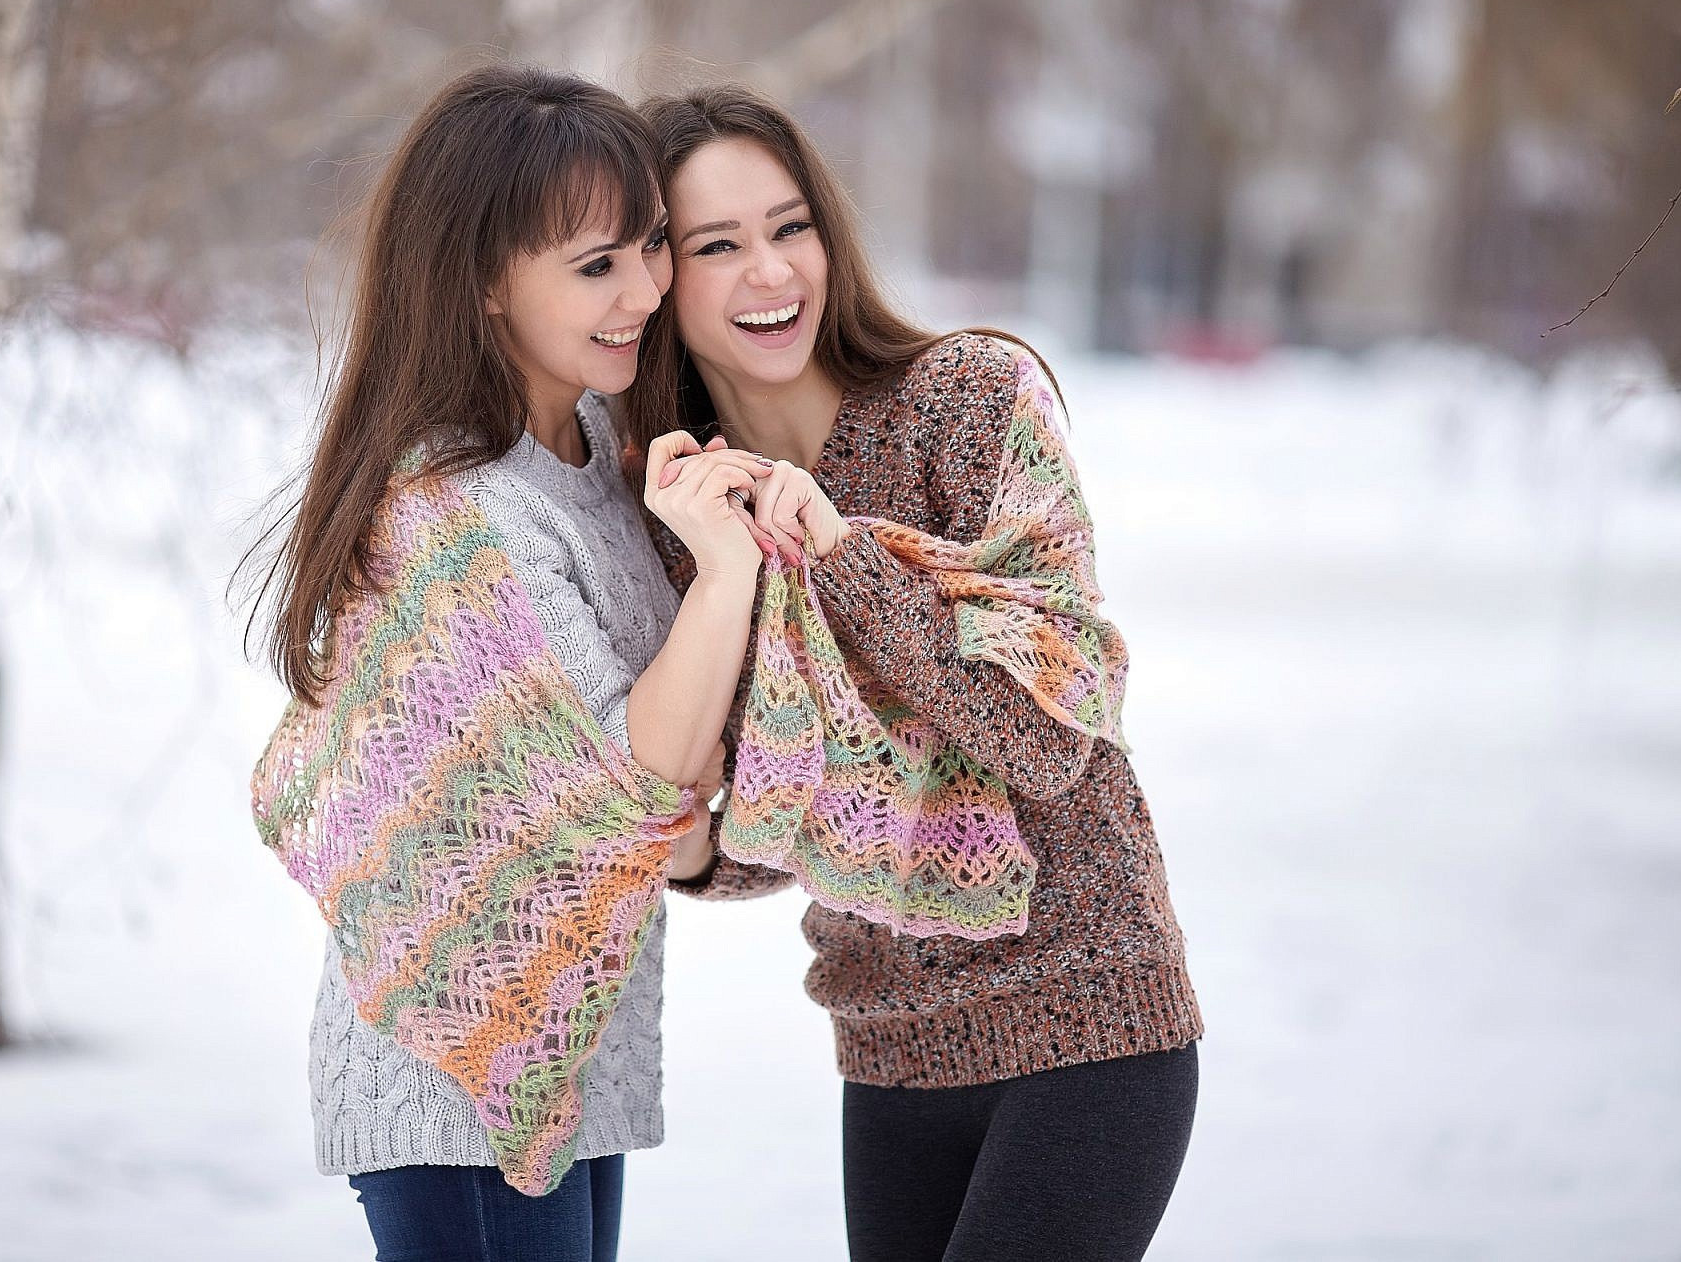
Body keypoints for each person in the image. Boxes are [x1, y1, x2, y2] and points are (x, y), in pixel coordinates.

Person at [633, 83, 1205, 1262]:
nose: (769, 274)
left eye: (789, 228)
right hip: (889, 1051)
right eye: (717, 245)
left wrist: (840, 555)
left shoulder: (976, 398)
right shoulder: (688, 516)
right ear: (657, 278)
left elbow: (1047, 735)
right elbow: (825, 809)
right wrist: (693, 852)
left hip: (1087, 1019)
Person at [242, 64, 781, 1262]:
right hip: (455, 1075)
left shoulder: (595, 442)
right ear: (485, 282)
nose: (644, 288)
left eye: (647, 244)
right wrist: (726, 568)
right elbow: (628, 777)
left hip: (573, 1050)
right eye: (595, 265)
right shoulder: (455, 511)